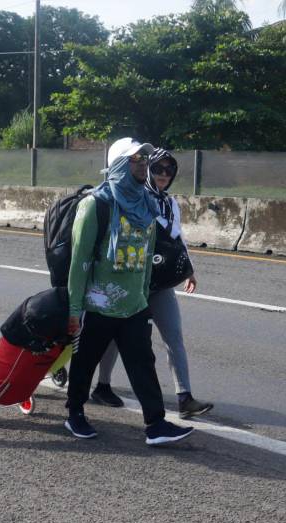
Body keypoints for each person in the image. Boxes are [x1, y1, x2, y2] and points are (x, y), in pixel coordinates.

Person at [63, 137, 193, 445]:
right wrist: (73, 309)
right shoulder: (95, 204)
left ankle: (156, 424)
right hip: (98, 302)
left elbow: (147, 256)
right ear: (121, 165)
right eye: (136, 160)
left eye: (144, 160)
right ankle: (75, 414)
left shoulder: (146, 204)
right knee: (85, 361)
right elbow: (80, 260)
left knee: (142, 362)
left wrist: (144, 295)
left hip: (134, 303)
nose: (144, 165)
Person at [89, 144, 214, 420]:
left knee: (174, 338)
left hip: (160, 282)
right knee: (113, 336)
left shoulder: (170, 203)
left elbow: (177, 237)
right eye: (157, 168)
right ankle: (102, 386)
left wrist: (189, 268)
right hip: (133, 279)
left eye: (169, 170)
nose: (163, 174)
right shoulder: (136, 196)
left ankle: (184, 398)